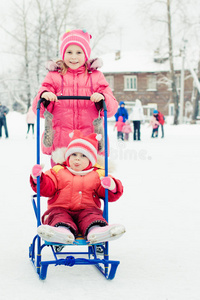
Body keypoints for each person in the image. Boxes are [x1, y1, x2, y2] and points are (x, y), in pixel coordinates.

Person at [32, 29, 118, 162]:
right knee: (60, 179)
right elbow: (39, 110)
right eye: (69, 52)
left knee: (87, 180)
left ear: (86, 54)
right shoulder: (54, 77)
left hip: (89, 141)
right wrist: (45, 96)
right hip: (61, 143)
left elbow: (111, 109)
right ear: (63, 54)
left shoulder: (95, 77)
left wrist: (103, 98)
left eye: (79, 52)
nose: (73, 57)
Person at [30, 130, 125, 245]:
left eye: (83, 155)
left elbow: (106, 194)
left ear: (91, 160)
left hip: (88, 210)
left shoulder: (97, 174)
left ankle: (97, 231)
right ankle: (62, 232)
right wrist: (38, 178)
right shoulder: (58, 171)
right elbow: (47, 187)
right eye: (73, 154)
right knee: (58, 217)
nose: (77, 159)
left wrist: (111, 186)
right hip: (60, 209)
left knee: (92, 217)